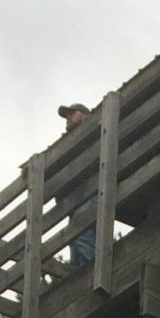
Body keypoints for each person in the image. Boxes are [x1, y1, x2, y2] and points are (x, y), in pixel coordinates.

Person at [57, 102, 96, 268]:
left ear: (84, 115)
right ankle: (81, 277)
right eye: (66, 116)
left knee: (82, 233)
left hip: (91, 192)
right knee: (74, 243)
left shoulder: (93, 130)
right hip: (76, 199)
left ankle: (91, 272)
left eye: (72, 114)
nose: (68, 119)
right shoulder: (68, 142)